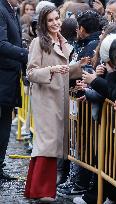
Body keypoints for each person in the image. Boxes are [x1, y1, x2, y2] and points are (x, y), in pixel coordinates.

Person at [24, 5, 82, 203]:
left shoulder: (62, 41)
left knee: (49, 144)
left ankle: (35, 188)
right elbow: (31, 73)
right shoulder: (38, 43)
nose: (55, 22)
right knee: (47, 144)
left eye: (57, 18)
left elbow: (65, 71)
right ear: (43, 23)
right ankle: (42, 191)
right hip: (46, 100)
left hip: (59, 98)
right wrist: (52, 69)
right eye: (50, 20)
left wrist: (80, 67)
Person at [0, 0, 28, 180]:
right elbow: (1, 44)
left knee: (4, 125)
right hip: (2, 78)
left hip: (9, 79)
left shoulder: (11, 9)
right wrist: (26, 54)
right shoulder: (1, 10)